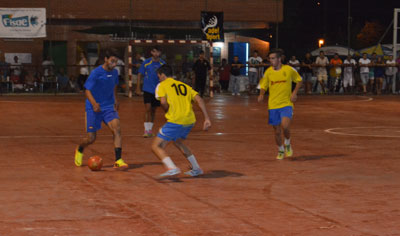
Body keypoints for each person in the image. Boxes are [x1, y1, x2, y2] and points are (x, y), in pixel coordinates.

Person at [152, 64, 211, 177]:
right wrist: (206, 118)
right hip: (189, 121)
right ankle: (196, 168)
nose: (158, 78)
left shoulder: (162, 85)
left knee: (156, 146)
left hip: (176, 121)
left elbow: (163, 102)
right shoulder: (184, 86)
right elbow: (199, 99)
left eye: (158, 75)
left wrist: (167, 111)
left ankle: (172, 168)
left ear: (163, 75)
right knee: (178, 142)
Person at [74, 49, 128, 170]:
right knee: (91, 138)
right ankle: (80, 148)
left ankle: (118, 160)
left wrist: (115, 99)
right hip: (94, 107)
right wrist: (94, 104)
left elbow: (114, 86)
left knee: (117, 129)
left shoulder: (114, 73)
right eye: (112, 61)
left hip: (108, 106)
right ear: (106, 59)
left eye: (116, 62)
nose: (114, 64)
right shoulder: (96, 73)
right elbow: (87, 90)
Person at [258, 48, 302, 160]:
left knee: (285, 126)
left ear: (279, 59)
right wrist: (261, 94)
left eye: (273, 58)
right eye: (270, 58)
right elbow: (263, 85)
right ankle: (280, 149)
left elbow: (299, 80)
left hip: (286, 103)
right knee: (277, 132)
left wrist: (294, 93)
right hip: (273, 105)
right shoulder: (268, 72)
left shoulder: (288, 70)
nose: (271, 60)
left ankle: (287, 142)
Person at [136, 46, 166, 138]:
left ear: (160, 53)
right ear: (151, 52)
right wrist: (138, 87)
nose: (156, 54)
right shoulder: (146, 63)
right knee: (148, 109)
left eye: (158, 52)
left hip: (158, 91)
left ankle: (150, 130)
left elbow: (165, 77)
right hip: (147, 89)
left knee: (153, 110)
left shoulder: (163, 63)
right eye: (154, 52)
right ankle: (146, 130)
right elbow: (140, 74)